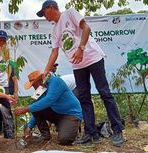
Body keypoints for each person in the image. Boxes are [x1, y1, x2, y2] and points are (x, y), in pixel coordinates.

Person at [36, 0, 124, 146]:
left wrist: (81, 48)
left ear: (51, 8)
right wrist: (46, 71)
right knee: (84, 98)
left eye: (44, 13)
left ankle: (117, 130)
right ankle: (91, 133)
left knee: (105, 93)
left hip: (93, 58)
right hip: (78, 66)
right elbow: (54, 52)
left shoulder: (70, 13)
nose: (44, 17)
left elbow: (86, 28)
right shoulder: (55, 31)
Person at [14, 70, 82, 145]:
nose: (34, 88)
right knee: (35, 104)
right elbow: (37, 107)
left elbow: (49, 99)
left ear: (41, 81)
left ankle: (70, 127)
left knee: (64, 140)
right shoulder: (40, 90)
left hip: (70, 114)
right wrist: (29, 126)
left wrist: (25, 109)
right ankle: (45, 135)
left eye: (34, 85)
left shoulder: (56, 81)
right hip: (56, 114)